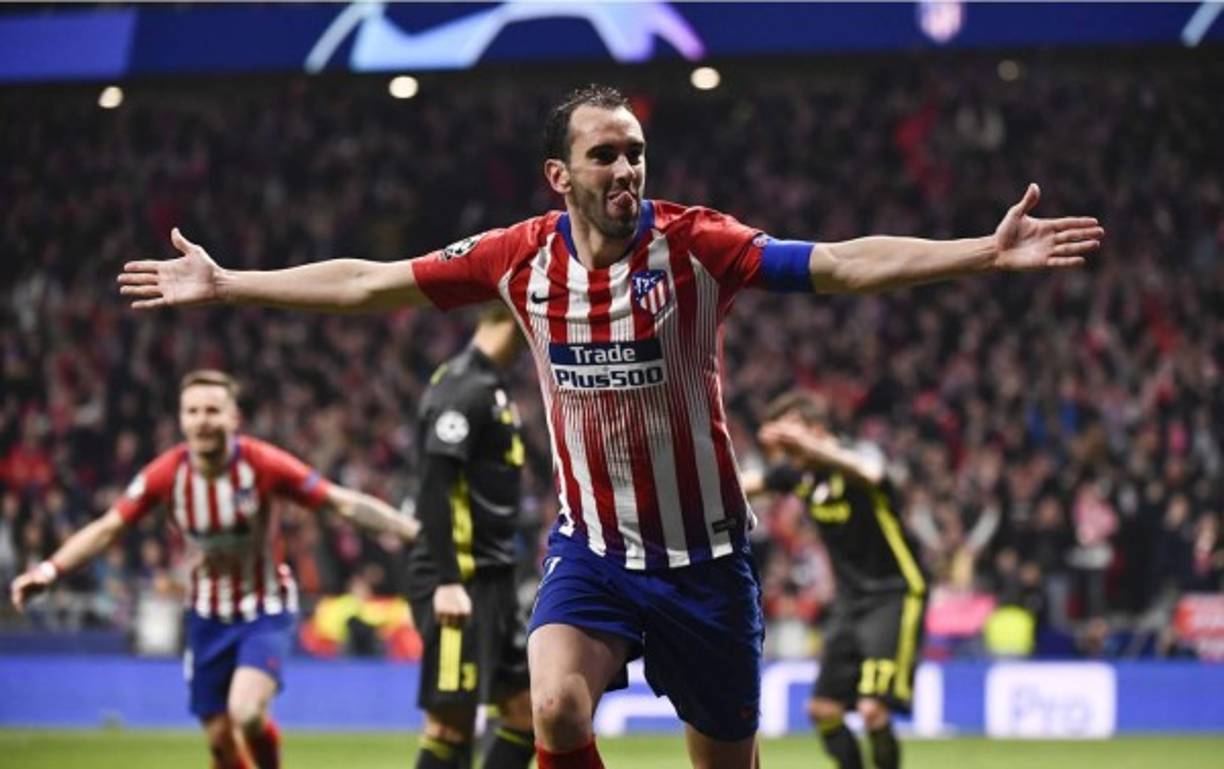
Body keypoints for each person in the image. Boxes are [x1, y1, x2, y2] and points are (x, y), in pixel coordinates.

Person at [117, 84, 1103, 769]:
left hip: (709, 563)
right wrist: (231, 281)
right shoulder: (516, 259)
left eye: (635, 151)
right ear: (562, 175)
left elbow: (841, 262)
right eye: (606, 153)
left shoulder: (696, 245)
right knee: (553, 705)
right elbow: (371, 283)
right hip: (590, 552)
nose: (627, 166)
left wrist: (979, 252)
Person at [10, 369, 419, 769]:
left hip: (264, 609)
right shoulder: (168, 474)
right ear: (181, 419)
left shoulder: (263, 465)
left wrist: (412, 532)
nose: (202, 420)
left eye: (212, 410)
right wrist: (48, 571)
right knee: (221, 742)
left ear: (233, 418)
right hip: (205, 615)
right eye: (193, 411)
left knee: (247, 713)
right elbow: (108, 528)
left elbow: (341, 502)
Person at [750, 390, 925, 769]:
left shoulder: (857, 455)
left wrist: (811, 446)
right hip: (849, 600)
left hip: (894, 593)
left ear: (814, 429)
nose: (784, 445)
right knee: (823, 708)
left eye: (791, 433)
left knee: (872, 709)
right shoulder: (800, 474)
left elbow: (874, 473)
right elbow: (744, 484)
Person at [408, 304, 535, 769]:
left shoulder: (493, 387)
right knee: (450, 726)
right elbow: (435, 486)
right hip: (460, 578)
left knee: (527, 717)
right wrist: (447, 580)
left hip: (494, 580)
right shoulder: (463, 386)